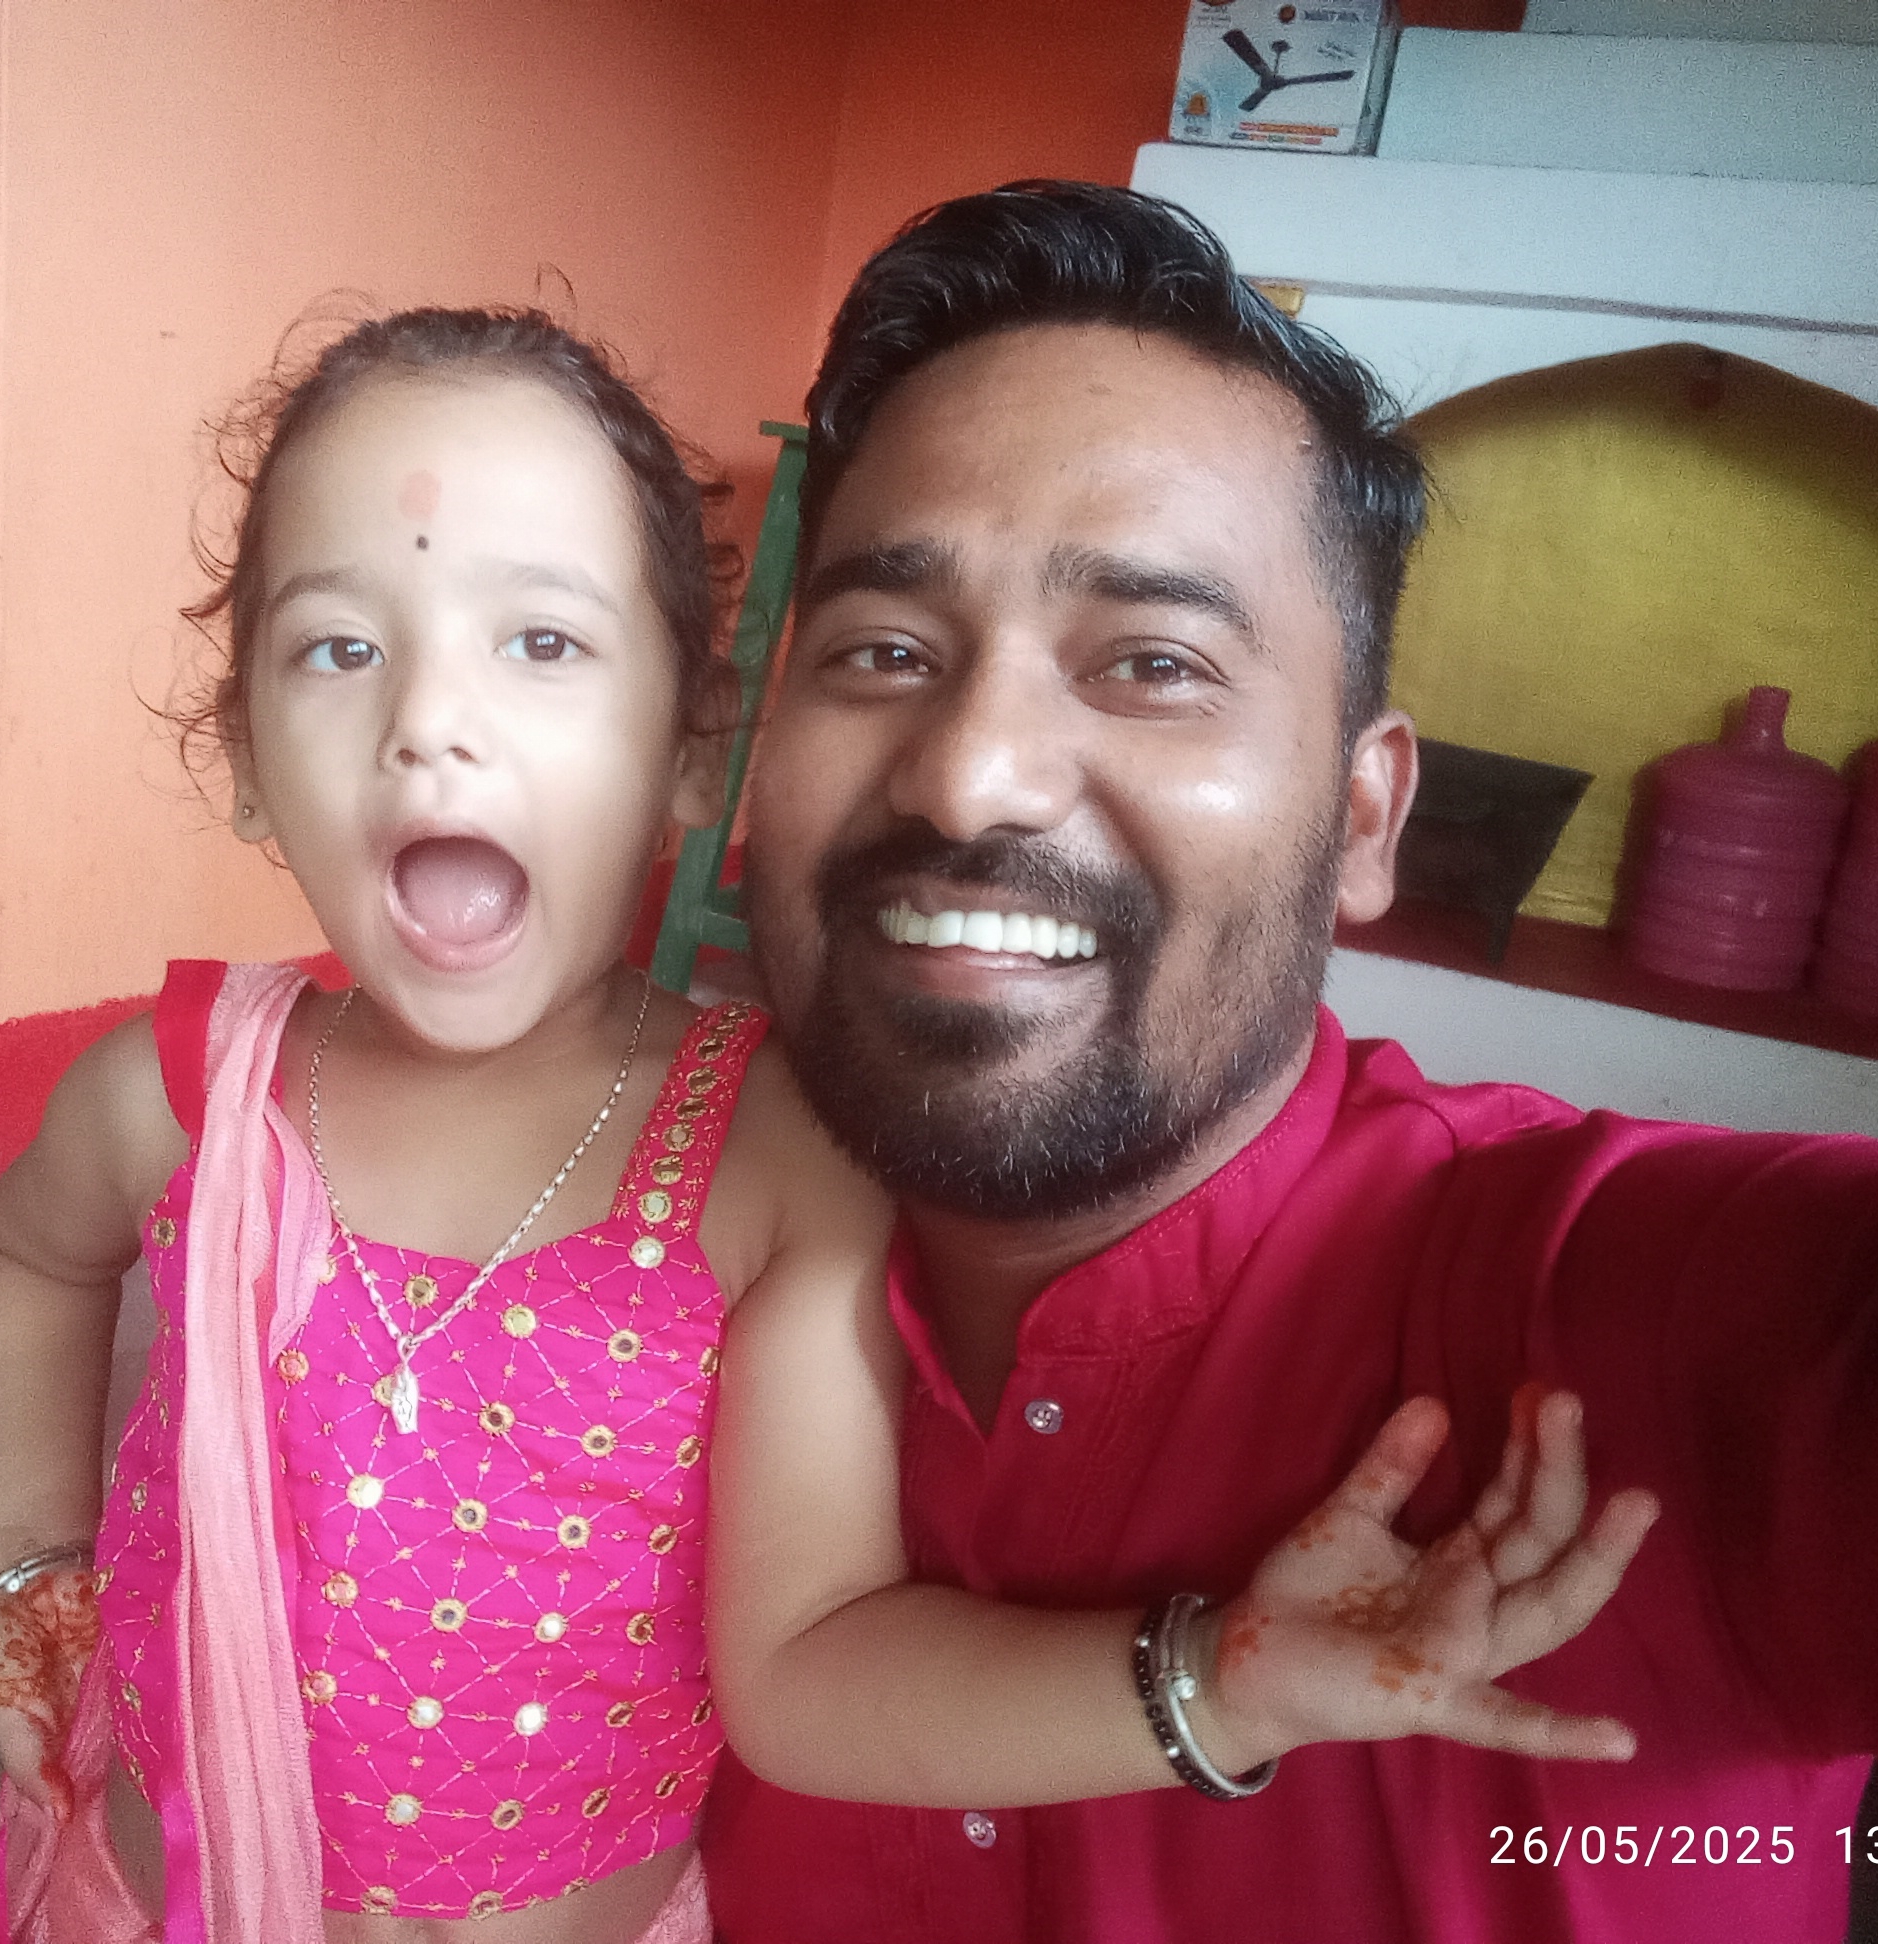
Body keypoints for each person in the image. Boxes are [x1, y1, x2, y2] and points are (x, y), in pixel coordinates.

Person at [0, 305, 1654, 1944]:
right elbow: (19, 1262)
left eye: (542, 644)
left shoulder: (764, 1154)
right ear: (246, 755)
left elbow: (810, 1662)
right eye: (339, 649)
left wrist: (1218, 1684)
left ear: (698, 750)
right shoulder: (183, 1089)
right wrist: (20, 1565)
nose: (430, 727)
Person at [711, 181, 1878, 1943]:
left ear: (1362, 816)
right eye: (885, 651)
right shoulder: (604, 1231)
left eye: (1152, 661)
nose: (969, 774)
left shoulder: (1637, 1326)